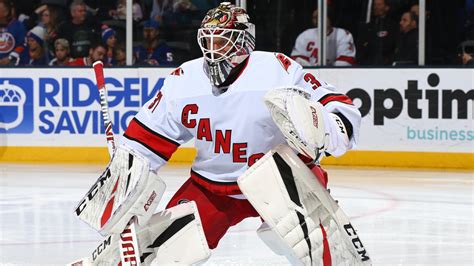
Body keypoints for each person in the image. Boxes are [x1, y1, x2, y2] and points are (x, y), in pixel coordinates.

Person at [74, 2, 366, 264]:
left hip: (280, 177)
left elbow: (338, 106)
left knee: (311, 240)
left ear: (242, 43)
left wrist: (331, 128)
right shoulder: (184, 81)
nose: (214, 50)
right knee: (160, 249)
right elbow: (144, 141)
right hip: (213, 187)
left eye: (222, 41)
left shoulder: (276, 70)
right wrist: (123, 182)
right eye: (209, 40)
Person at [291, 7, 356, 66]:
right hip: (310, 75)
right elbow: (296, 59)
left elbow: (346, 61)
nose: (317, 20)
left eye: (320, 17)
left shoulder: (342, 35)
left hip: (335, 76)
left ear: (330, 18)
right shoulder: (305, 35)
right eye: (315, 17)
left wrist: (328, 72)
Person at [356, 0, 398, 65]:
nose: (375, 7)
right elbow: (361, 47)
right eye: (375, 5)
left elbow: (395, 46)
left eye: (379, 5)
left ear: (387, 7)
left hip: (387, 66)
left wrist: (389, 59)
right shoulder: (368, 26)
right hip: (368, 65)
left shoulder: (393, 26)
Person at [0, 0, 26, 66]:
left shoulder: (18, 26)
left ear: (6, 12)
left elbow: (22, 45)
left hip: (11, 63)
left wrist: (10, 57)